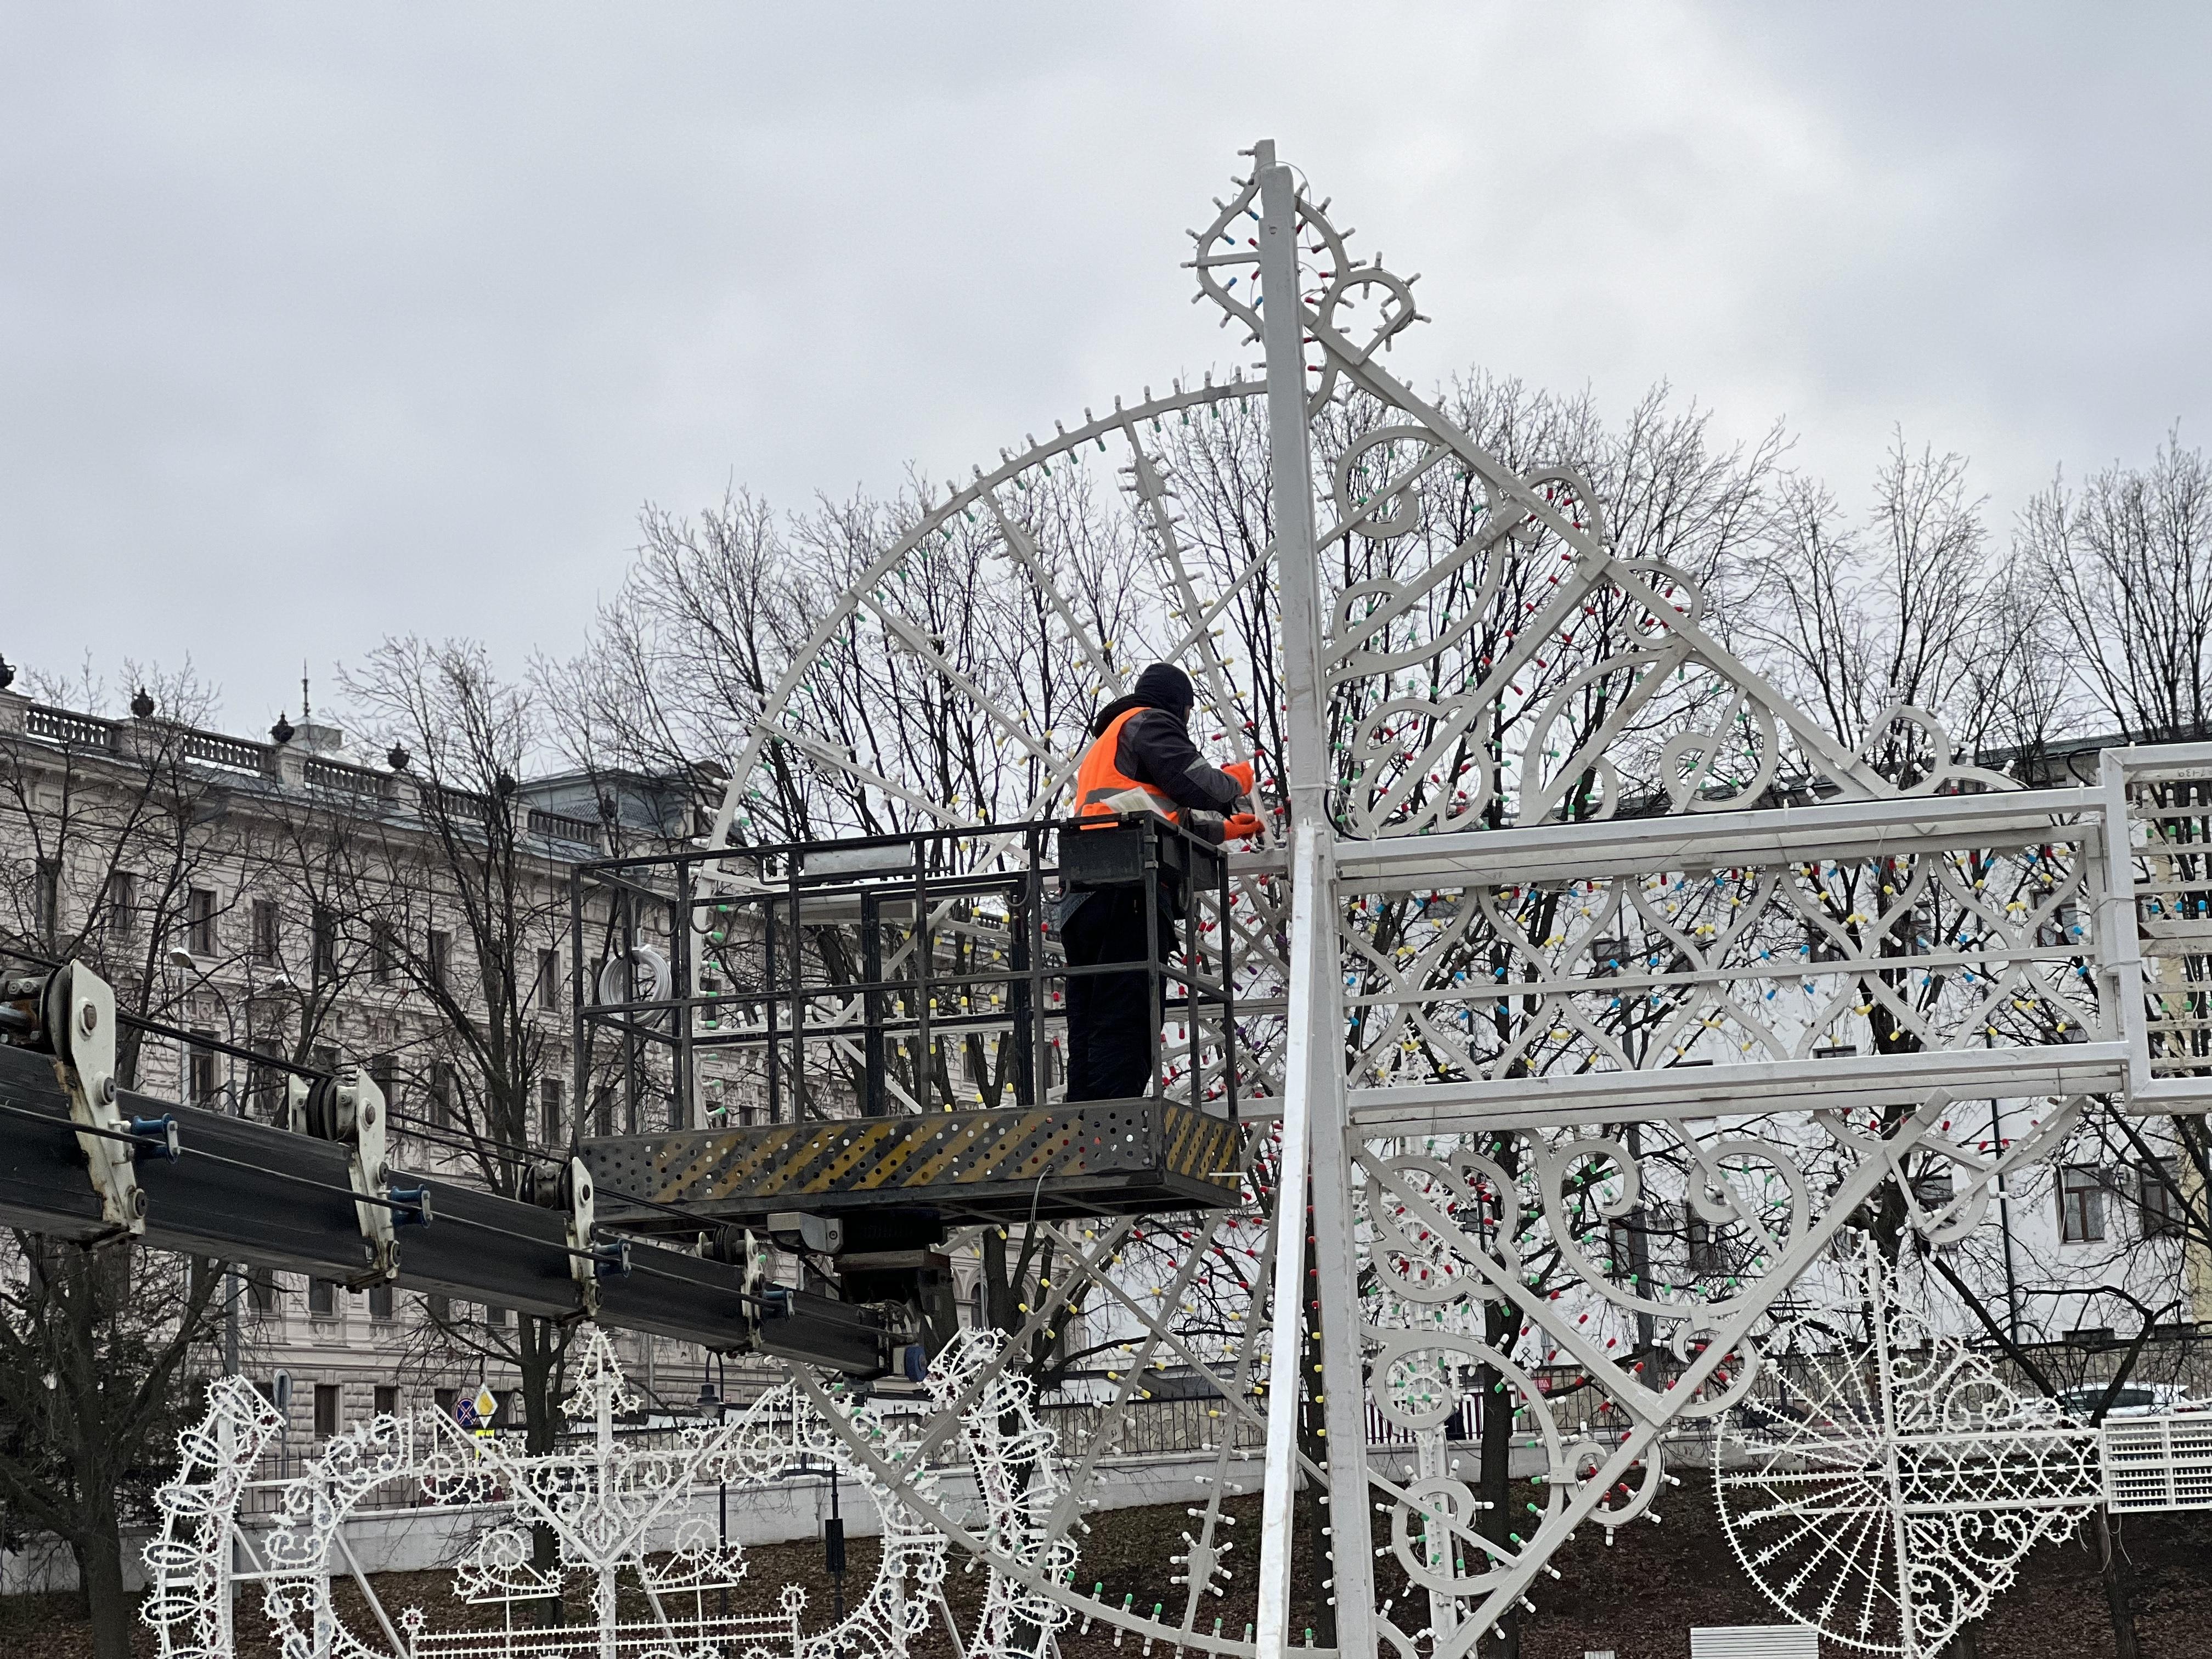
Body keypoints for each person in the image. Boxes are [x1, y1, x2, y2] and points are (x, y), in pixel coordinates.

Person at [1059, 663, 1261, 1101]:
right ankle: (1114, 1124)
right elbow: (1197, 784)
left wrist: (1224, 832)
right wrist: (1236, 781)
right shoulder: (1150, 722)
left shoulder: (1110, 741)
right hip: (1128, 891)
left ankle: (1083, 1124)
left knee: (1090, 1016)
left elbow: (1155, 813)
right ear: (1179, 706)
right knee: (1127, 1016)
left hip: (1084, 894)